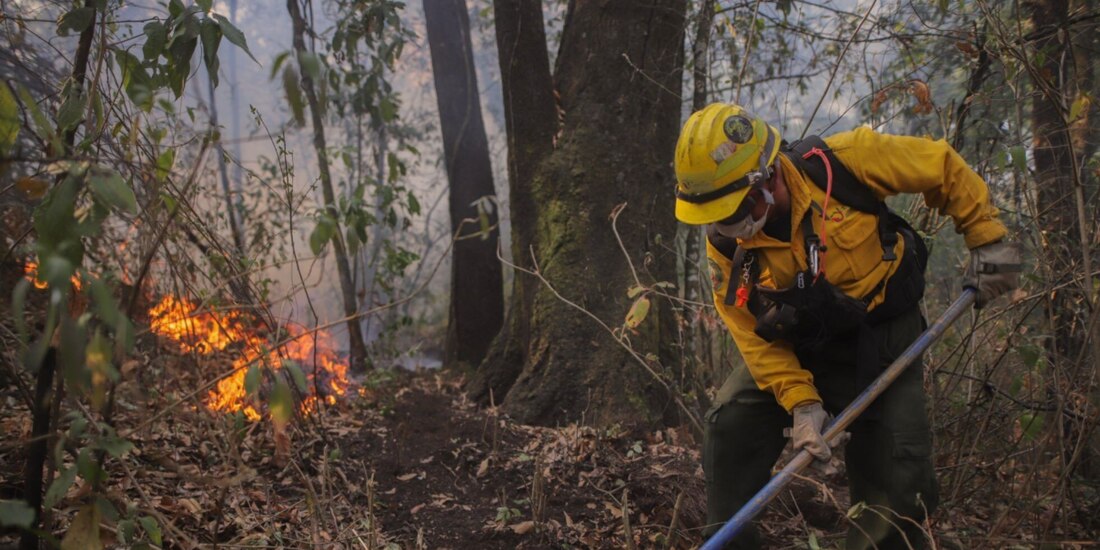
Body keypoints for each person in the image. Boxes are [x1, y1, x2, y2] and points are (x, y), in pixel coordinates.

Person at [673, 103, 1021, 549]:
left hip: (882, 337)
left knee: (897, 469)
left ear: (767, 177)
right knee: (730, 423)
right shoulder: (726, 243)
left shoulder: (845, 163)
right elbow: (747, 330)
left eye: (733, 209)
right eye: (716, 215)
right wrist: (801, 401)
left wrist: (987, 239)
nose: (729, 226)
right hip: (798, 343)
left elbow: (940, 166)